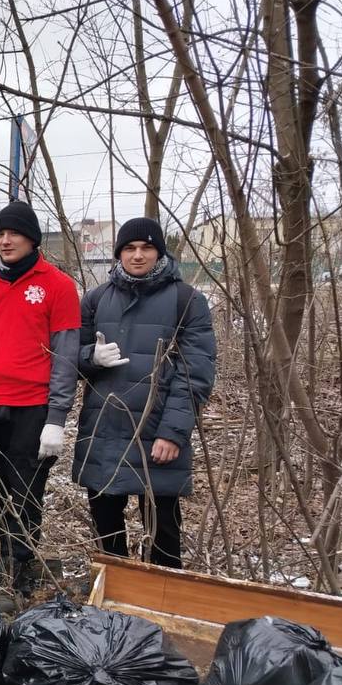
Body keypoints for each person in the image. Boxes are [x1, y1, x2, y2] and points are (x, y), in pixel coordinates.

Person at [74, 217, 215, 569]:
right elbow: (68, 359)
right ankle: (115, 596)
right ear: (119, 253)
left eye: (147, 248)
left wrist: (173, 432)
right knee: (106, 525)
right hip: (104, 429)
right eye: (130, 248)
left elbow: (194, 373)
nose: (138, 256)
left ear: (159, 253)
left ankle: (163, 597)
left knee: (163, 528)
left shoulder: (186, 301)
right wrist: (89, 357)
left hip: (156, 431)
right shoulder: (96, 299)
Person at [0, 200, 81, 597]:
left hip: (32, 405)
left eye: (13, 234)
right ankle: (2, 562)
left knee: (26, 490)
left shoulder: (58, 286)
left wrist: (57, 417)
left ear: (32, 239)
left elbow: (65, 356)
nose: (5, 241)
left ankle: (22, 566)